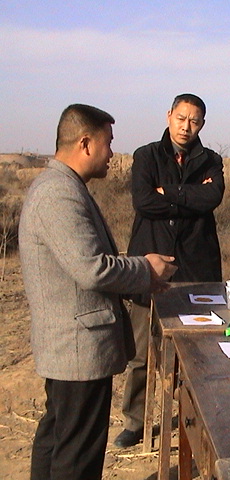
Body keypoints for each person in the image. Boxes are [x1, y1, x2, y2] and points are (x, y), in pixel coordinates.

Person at [19, 104, 177, 480]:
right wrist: (145, 269)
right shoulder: (59, 194)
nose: (111, 154)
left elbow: (84, 261)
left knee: (58, 439)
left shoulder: (63, 187)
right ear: (86, 143)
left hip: (70, 346)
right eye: (108, 143)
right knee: (77, 455)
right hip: (77, 348)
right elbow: (92, 268)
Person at [115, 93, 225, 448]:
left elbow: (212, 198)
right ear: (169, 116)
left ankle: (195, 418)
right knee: (140, 352)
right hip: (149, 264)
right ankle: (135, 421)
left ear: (202, 124)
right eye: (181, 118)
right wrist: (190, 195)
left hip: (196, 266)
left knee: (196, 350)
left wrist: (169, 192)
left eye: (194, 121)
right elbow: (143, 201)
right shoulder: (146, 156)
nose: (186, 126)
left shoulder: (211, 160)